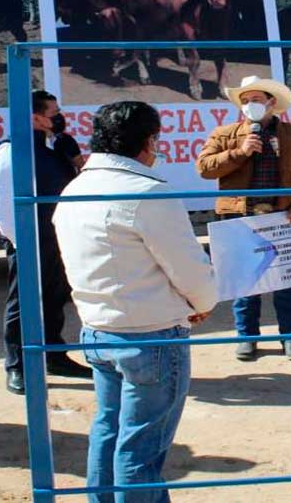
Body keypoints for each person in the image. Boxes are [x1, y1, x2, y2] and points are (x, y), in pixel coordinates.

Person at [55, 102, 218, 501]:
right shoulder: (146, 192)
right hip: (150, 333)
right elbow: (190, 268)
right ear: (150, 141)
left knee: (108, 433)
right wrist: (202, 302)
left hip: (97, 327)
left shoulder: (75, 187)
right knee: (140, 449)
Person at [196, 76, 291, 363]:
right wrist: (239, 152)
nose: (249, 105)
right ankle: (248, 338)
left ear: (271, 102)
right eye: (245, 101)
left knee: (286, 283)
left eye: (255, 100)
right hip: (239, 218)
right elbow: (204, 168)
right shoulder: (225, 134)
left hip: (283, 218)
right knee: (245, 284)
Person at [0, 90, 91, 395]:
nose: (59, 118)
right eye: (53, 112)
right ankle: (17, 365)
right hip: (29, 241)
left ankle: (54, 356)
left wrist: (73, 157)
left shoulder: (51, 149)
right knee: (23, 304)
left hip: (58, 236)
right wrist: (22, 244)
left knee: (55, 298)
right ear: (34, 117)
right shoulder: (10, 150)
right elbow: (1, 203)